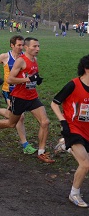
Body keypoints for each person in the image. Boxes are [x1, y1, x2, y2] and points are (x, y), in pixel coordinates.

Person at [0, 37, 55, 163]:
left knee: (45, 122)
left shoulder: (35, 60)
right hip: (19, 97)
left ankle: (41, 152)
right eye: (35, 46)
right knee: (11, 123)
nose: (38, 49)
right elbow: (10, 79)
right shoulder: (20, 61)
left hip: (32, 97)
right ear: (26, 47)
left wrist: (36, 79)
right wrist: (28, 80)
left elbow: (31, 77)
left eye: (38, 46)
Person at [50, 55, 89, 207]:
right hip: (73, 128)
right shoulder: (73, 85)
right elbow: (54, 103)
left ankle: (65, 145)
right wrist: (62, 120)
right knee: (85, 164)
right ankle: (74, 194)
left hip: (87, 129)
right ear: (86, 69)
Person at [0, 35, 35, 154]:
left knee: (12, 117)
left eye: (22, 45)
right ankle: (25, 144)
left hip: (22, 91)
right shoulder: (4, 57)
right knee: (20, 117)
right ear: (12, 45)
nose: (21, 47)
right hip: (9, 91)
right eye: (19, 45)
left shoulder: (25, 58)